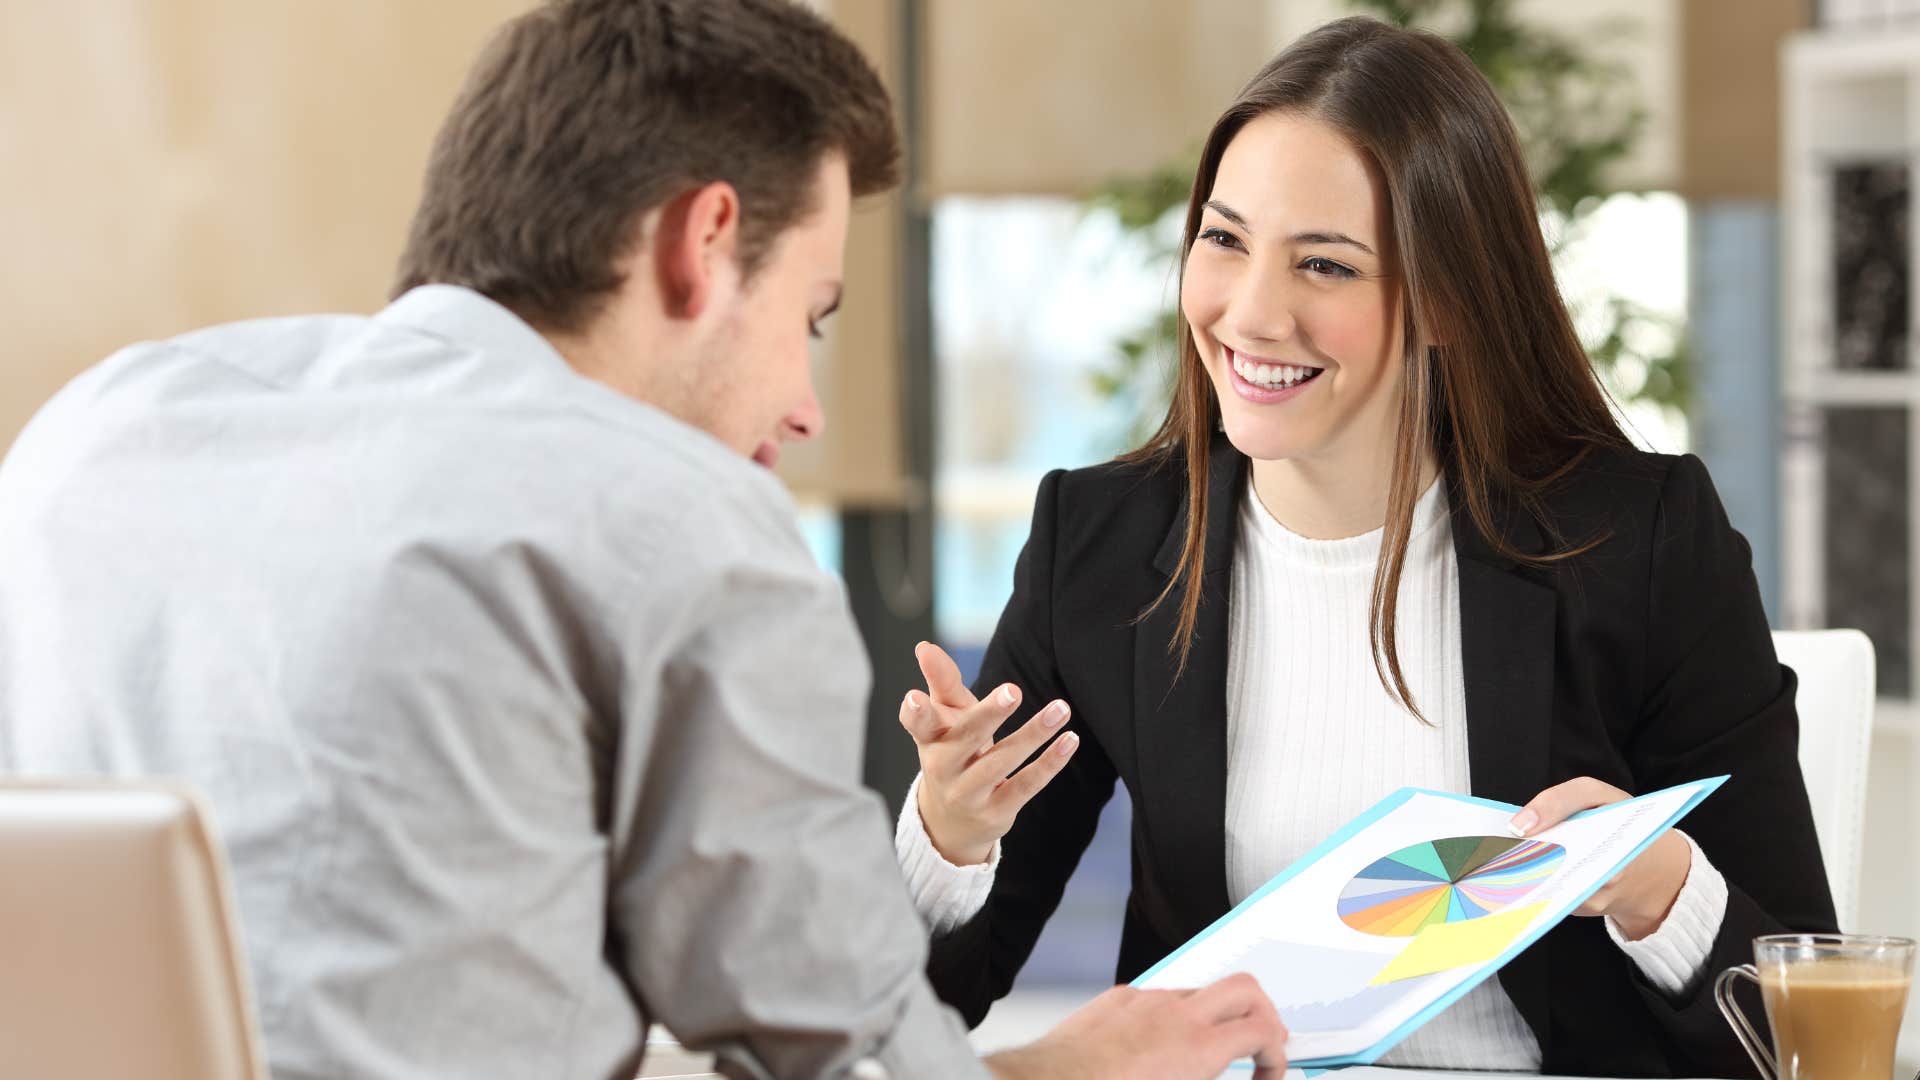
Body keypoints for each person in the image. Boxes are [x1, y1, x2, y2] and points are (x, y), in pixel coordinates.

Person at [0, 1, 1288, 1078]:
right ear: (703, 242)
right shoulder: (680, 526)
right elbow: (838, 1060)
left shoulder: (102, 431)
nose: (807, 406)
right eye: (814, 315)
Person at [892, 15, 1836, 1079]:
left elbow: (1804, 1023)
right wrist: (950, 835)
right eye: (1224, 239)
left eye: (1327, 266)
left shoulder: (1639, 539)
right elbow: (919, 1007)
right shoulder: (1101, 544)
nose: (1251, 313)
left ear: (1446, 299)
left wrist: (1657, 884)